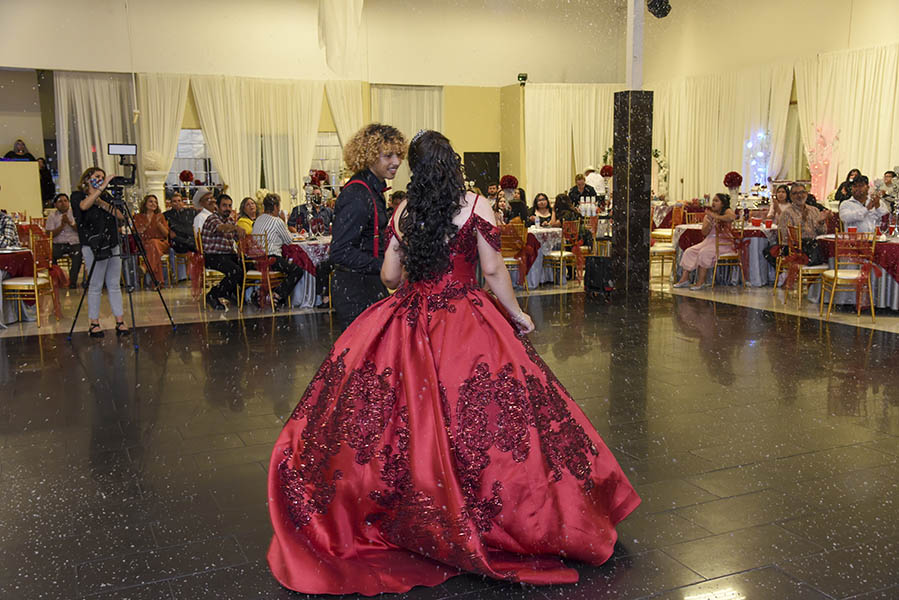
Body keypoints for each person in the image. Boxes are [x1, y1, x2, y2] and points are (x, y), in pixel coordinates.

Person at [266, 130, 640, 596]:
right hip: (466, 319)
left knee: (398, 417)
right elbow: (492, 270)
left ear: (414, 169)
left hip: (410, 315)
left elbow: (388, 276)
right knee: (491, 416)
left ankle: (413, 503)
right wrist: (517, 314)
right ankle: (503, 512)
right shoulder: (474, 204)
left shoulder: (404, 210)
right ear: (453, 163)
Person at [329, 123, 406, 322]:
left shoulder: (370, 190)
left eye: (398, 155)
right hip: (355, 290)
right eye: (388, 156)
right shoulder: (358, 194)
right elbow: (340, 252)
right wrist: (385, 265)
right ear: (369, 156)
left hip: (366, 284)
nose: (397, 161)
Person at [70, 167, 129, 338]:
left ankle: (120, 320)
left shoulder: (106, 197)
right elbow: (84, 206)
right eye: (97, 177)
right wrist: (100, 189)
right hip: (92, 245)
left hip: (112, 243)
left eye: (103, 177)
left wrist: (103, 202)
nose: (101, 180)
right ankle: (94, 322)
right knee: (95, 285)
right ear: (87, 179)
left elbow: (120, 215)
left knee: (114, 283)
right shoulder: (77, 196)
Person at [673, 193, 736, 290]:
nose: (713, 203)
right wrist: (709, 223)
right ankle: (684, 279)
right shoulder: (709, 215)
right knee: (689, 251)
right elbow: (704, 232)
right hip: (709, 241)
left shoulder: (727, 211)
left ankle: (701, 282)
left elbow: (732, 217)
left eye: (716, 201)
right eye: (713, 201)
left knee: (704, 252)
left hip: (724, 243)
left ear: (722, 204)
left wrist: (716, 217)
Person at [251, 193, 302, 306]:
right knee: (297, 270)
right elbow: (288, 240)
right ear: (275, 207)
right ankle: (277, 294)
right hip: (271, 259)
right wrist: (283, 221)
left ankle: (261, 293)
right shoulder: (277, 221)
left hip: (255, 260)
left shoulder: (258, 220)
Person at [200, 194, 246, 310]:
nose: (228, 208)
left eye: (230, 206)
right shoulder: (212, 218)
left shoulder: (230, 220)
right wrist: (236, 228)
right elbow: (221, 228)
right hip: (213, 256)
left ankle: (234, 293)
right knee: (235, 271)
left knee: (247, 265)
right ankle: (213, 294)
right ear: (217, 206)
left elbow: (237, 237)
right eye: (224, 205)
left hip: (228, 255)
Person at [776, 183, 830, 266]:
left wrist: (821, 222)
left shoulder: (814, 210)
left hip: (813, 247)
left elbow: (823, 233)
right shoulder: (787, 213)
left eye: (802, 192)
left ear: (806, 194)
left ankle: (832, 272)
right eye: (795, 193)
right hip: (794, 250)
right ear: (791, 196)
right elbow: (784, 237)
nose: (799, 196)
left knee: (829, 248)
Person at [133, 194, 171, 288]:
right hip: (145, 244)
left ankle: (145, 267)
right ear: (145, 204)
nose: (153, 204)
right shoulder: (138, 217)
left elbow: (166, 234)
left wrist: (159, 224)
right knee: (153, 249)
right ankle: (157, 283)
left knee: (154, 244)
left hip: (161, 243)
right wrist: (146, 225)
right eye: (151, 201)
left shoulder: (160, 216)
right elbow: (136, 231)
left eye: (155, 202)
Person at [45, 193, 82, 288]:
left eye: (65, 201)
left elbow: (80, 230)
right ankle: (59, 280)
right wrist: (61, 226)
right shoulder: (52, 216)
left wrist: (69, 223)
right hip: (58, 244)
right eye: (60, 201)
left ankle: (72, 282)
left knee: (77, 255)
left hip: (74, 243)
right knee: (50, 256)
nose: (63, 203)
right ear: (55, 205)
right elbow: (49, 234)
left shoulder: (75, 213)